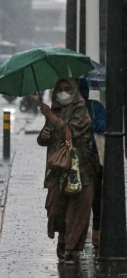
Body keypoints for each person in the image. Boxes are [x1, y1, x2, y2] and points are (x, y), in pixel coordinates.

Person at [37, 78, 99, 265]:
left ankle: (71, 250)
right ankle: (62, 238)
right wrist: (44, 135)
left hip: (82, 169)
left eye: (67, 89)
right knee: (56, 207)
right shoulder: (54, 111)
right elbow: (44, 139)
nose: (63, 93)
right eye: (60, 90)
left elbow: (70, 130)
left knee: (78, 210)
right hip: (58, 169)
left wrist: (50, 115)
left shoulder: (81, 110)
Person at [78, 77, 106, 247]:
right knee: (78, 198)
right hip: (76, 158)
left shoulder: (96, 107)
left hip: (96, 156)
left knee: (96, 196)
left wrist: (89, 123)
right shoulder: (68, 109)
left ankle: (96, 230)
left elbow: (105, 124)